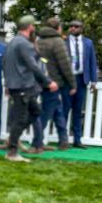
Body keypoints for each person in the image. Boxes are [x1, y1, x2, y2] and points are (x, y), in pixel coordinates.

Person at [2, 15, 58, 163]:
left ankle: (13, 138)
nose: (34, 28)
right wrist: (48, 82)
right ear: (30, 27)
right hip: (23, 86)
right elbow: (33, 66)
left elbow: (5, 63)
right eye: (33, 25)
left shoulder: (13, 42)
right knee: (20, 119)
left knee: (36, 111)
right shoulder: (24, 44)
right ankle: (12, 152)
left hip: (17, 85)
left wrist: (7, 84)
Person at [31, 17, 74, 151]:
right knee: (46, 112)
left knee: (57, 110)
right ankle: (37, 142)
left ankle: (63, 140)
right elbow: (64, 64)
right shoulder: (58, 41)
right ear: (58, 28)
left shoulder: (38, 41)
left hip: (39, 80)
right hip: (53, 82)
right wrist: (72, 83)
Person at [66, 20, 98, 148]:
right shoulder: (64, 41)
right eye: (71, 26)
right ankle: (63, 140)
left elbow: (92, 62)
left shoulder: (88, 43)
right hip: (68, 80)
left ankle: (77, 140)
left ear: (81, 28)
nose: (73, 28)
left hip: (81, 79)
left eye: (76, 26)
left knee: (78, 111)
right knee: (64, 109)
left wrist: (94, 81)